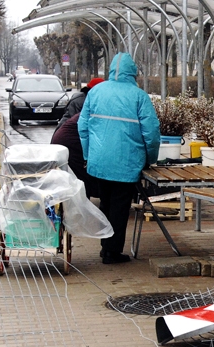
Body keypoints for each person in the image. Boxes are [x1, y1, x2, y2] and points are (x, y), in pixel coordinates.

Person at [78, 53, 160, 264]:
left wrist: (88, 154)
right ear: (133, 73)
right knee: (120, 208)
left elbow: (83, 127)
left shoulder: (95, 92)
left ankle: (105, 247)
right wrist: (151, 159)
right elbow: (151, 134)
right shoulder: (139, 96)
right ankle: (112, 252)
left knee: (105, 204)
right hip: (126, 163)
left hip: (99, 163)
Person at [51, 78, 104, 199]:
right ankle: (82, 208)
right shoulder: (87, 103)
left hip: (64, 139)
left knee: (77, 178)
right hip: (70, 142)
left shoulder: (81, 98)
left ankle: (82, 205)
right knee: (82, 178)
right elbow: (85, 130)